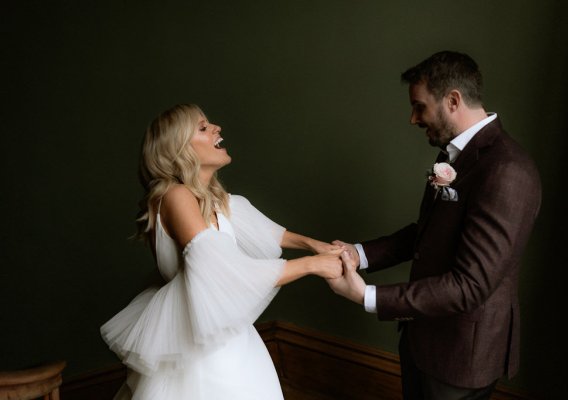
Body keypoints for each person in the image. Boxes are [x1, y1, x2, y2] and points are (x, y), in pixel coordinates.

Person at [328, 51, 542, 400]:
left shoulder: (508, 171)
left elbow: (470, 285)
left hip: (460, 357)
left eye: (420, 107)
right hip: (422, 339)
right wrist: (359, 254)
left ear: (453, 100)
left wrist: (366, 296)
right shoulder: (452, 155)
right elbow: (426, 234)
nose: (413, 118)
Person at [100, 103, 343, 399]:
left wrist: (314, 244)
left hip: (231, 338)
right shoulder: (175, 196)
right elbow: (224, 274)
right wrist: (313, 265)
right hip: (202, 352)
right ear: (179, 150)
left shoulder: (214, 199)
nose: (217, 128)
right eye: (203, 128)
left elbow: (267, 232)